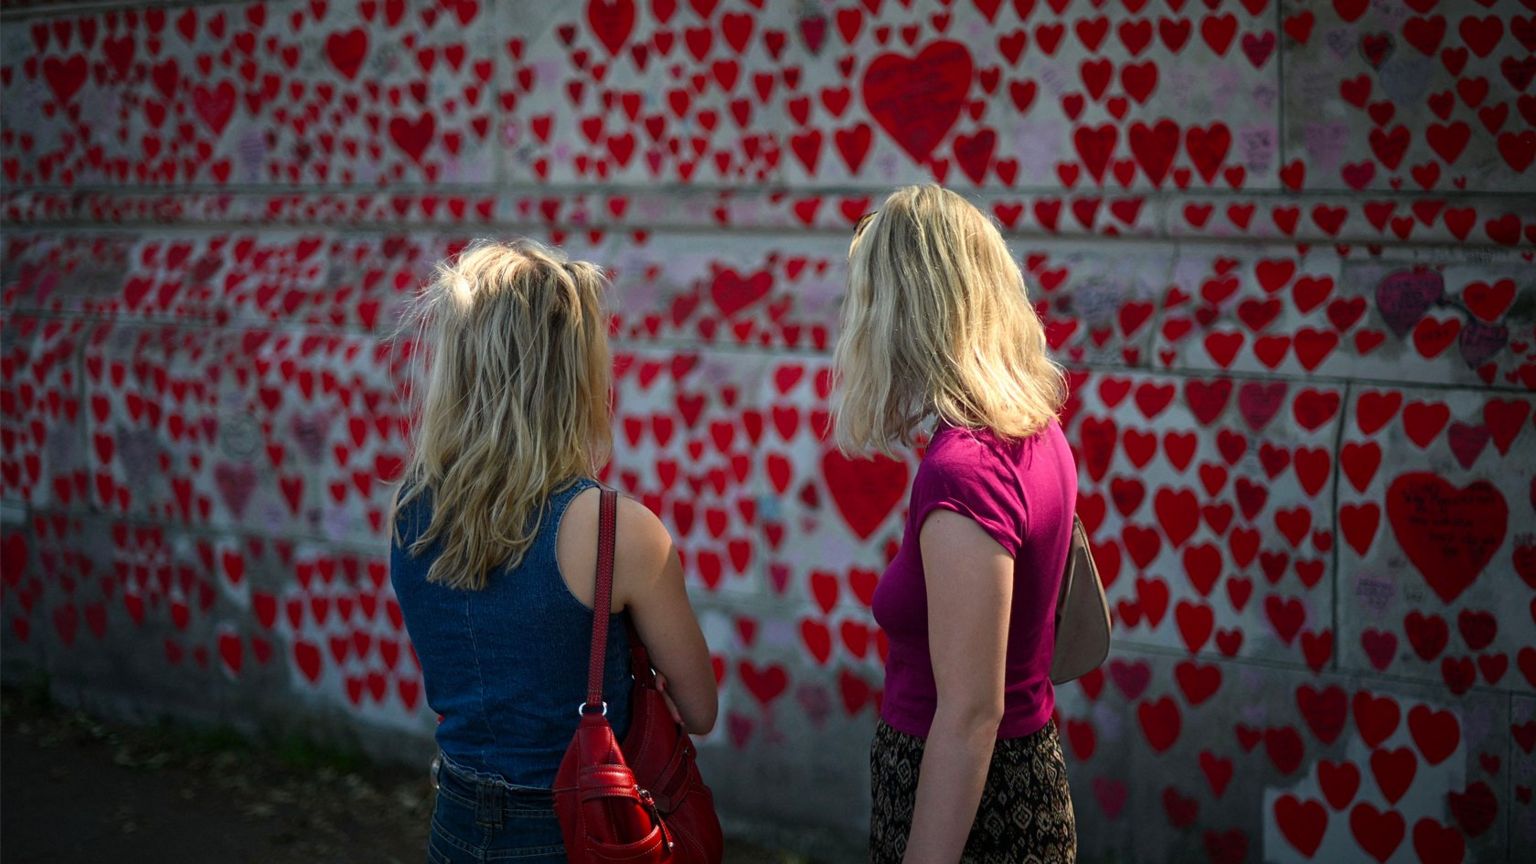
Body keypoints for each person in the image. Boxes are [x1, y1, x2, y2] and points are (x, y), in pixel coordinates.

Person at [389, 238, 717, 864]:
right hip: (580, 831)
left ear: (458, 365)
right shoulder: (618, 530)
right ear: (575, 372)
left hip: (454, 822)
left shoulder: (411, 512)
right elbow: (699, 709)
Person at [835, 186, 1078, 863]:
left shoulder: (962, 469)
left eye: (868, 298)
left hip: (970, 803)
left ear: (902, 311)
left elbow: (971, 714)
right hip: (1014, 779)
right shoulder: (1035, 431)